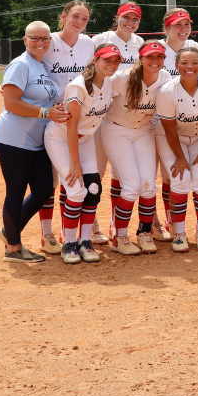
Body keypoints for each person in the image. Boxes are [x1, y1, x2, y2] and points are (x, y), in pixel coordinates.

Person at [0, 21, 68, 263]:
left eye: (45, 38)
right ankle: (13, 249)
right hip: (14, 139)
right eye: (34, 38)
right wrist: (46, 113)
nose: (40, 42)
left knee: (44, 189)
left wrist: (51, 108)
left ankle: (9, 231)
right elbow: (11, 103)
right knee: (16, 190)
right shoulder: (21, 64)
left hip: (35, 141)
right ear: (25, 41)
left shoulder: (40, 65)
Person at [44, 44, 121, 263]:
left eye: (116, 61)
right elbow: (71, 126)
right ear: (95, 60)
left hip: (84, 138)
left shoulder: (109, 82)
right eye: (107, 60)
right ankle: (69, 243)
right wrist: (75, 164)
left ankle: (84, 241)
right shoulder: (79, 86)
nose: (112, 65)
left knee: (93, 188)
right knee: (76, 191)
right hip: (61, 137)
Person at [102, 40, 171, 255]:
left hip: (143, 131)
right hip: (116, 130)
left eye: (159, 56)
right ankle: (119, 237)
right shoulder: (122, 78)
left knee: (149, 185)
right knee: (131, 185)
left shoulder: (166, 78)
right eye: (149, 56)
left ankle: (145, 232)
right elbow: (95, 86)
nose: (154, 60)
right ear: (140, 59)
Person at [39, 0, 95, 253]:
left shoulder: (89, 44)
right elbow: (27, 62)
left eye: (84, 19)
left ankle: (66, 230)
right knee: (49, 180)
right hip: (49, 116)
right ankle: (46, 233)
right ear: (63, 16)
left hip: (77, 117)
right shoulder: (48, 40)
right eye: (75, 16)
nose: (79, 22)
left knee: (71, 179)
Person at [155, 47, 198, 253]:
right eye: (184, 62)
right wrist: (180, 157)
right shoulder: (167, 91)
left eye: (194, 62)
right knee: (180, 177)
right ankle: (179, 232)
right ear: (176, 66)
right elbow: (168, 129)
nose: (189, 67)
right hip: (171, 138)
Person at [92, 1, 144, 247]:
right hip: (100, 112)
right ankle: (91, 223)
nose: (130, 23)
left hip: (126, 113)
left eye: (135, 19)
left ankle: (115, 222)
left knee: (121, 174)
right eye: (126, 17)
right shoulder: (101, 38)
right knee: (96, 171)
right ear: (117, 17)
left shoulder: (140, 43)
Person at [156, 8, 198, 240]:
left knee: (168, 175)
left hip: (182, 120)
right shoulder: (156, 49)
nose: (183, 29)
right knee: (150, 175)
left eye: (186, 24)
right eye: (177, 25)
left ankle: (172, 220)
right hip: (153, 118)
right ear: (167, 28)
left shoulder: (194, 48)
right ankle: (153, 222)